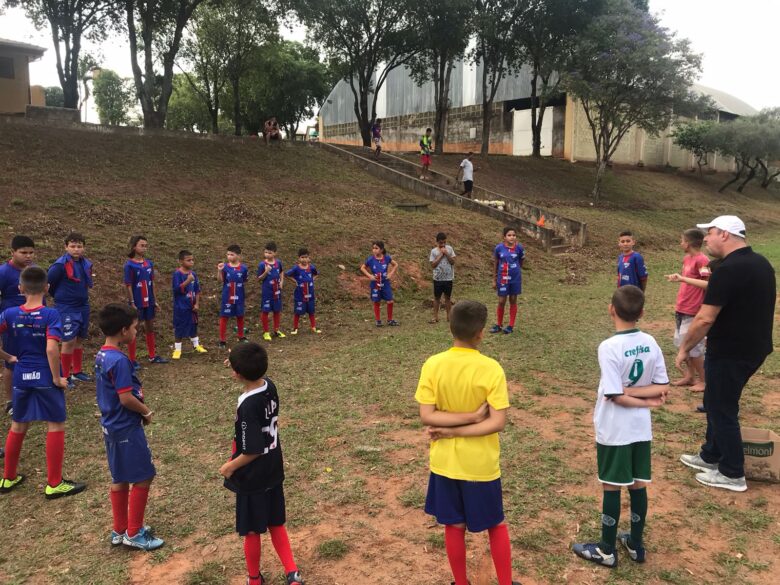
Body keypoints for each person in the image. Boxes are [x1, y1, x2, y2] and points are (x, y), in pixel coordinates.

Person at [415, 300, 521, 585]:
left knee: (454, 525)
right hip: (480, 465)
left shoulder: (433, 364)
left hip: (445, 463)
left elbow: (428, 415)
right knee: (495, 524)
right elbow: (497, 422)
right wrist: (473, 418)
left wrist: (453, 431)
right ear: (481, 333)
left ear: (450, 327)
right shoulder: (491, 368)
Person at [572, 285, 669, 568]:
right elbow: (662, 386)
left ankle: (606, 550)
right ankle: (636, 544)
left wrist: (633, 395)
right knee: (638, 483)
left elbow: (615, 395)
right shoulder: (650, 341)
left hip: (614, 428)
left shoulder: (609, 347)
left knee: (612, 485)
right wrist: (647, 400)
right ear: (642, 313)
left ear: (611, 310)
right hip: (640, 428)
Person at [678, 216, 776, 492]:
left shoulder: (728, 269)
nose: (706, 239)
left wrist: (685, 348)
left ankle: (732, 472)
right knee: (715, 400)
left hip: (732, 351)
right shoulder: (760, 263)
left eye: (710, 233)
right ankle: (711, 454)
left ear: (724, 234)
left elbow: (704, 318)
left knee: (722, 407)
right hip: (752, 348)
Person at [219, 342, 304, 585]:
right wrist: (237, 360)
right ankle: (292, 573)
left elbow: (252, 450)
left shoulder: (247, 406)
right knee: (276, 522)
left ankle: (254, 579)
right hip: (273, 468)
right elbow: (251, 367)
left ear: (237, 374)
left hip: (253, 476)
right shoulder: (269, 386)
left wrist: (230, 467)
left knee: (252, 530)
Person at [0, 266, 86, 498]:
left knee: (18, 424)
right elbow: (51, 348)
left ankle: (8, 477)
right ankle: (54, 483)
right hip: (46, 376)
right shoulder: (51, 314)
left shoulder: (9, 314)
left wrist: (8, 357)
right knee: (55, 424)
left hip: (21, 375)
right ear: (47, 288)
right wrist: (57, 378)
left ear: (20, 288)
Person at [95, 303, 163, 551]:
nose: (136, 332)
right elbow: (125, 398)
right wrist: (145, 411)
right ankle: (134, 533)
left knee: (120, 476)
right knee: (144, 476)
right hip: (125, 426)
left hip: (111, 426)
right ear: (124, 330)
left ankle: (119, 529)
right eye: (135, 328)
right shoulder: (119, 361)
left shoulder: (102, 355)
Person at [664, 229, 709, 392]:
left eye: (682, 240)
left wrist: (683, 279)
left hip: (693, 309)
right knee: (683, 344)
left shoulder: (702, 260)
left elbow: (708, 284)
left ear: (689, 243)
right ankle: (690, 376)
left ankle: (704, 381)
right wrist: (679, 279)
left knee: (693, 346)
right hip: (681, 306)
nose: (680, 243)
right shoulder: (687, 258)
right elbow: (688, 280)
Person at [47, 232, 94, 387]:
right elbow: (49, 285)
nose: (76, 249)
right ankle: (65, 375)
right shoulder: (59, 265)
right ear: (66, 247)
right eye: (72, 246)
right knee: (68, 341)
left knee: (80, 338)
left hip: (83, 306)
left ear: (84, 248)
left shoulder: (85, 263)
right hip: (66, 307)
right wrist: (60, 298)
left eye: (79, 246)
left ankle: (77, 371)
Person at [0, 235, 36, 416]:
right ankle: (11, 401)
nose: (28, 256)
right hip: (11, 324)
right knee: (11, 362)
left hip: (35, 322)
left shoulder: (35, 270)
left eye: (31, 252)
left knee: (34, 358)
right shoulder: (3, 272)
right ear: (12, 252)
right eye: (23, 252)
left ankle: (31, 394)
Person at [124, 235, 169, 367]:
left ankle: (152, 356)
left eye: (146, 246)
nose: (144, 248)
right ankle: (132, 360)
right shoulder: (129, 265)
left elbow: (152, 283)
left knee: (150, 327)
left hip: (149, 301)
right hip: (137, 302)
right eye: (142, 245)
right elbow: (128, 285)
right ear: (134, 247)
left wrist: (154, 300)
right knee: (134, 329)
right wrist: (132, 302)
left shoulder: (149, 263)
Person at [172, 250, 207, 360]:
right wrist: (187, 281)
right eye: (188, 260)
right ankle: (177, 349)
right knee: (180, 326)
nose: (191, 262)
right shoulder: (177, 274)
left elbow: (197, 290)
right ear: (181, 261)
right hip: (181, 306)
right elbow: (176, 290)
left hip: (192, 305)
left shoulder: (193, 274)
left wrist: (197, 303)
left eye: (192, 260)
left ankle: (196, 345)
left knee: (193, 324)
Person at [490, 227, 525, 334]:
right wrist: (494, 279)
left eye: (514, 235)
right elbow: (495, 263)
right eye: (509, 235)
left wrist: (516, 270)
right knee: (501, 301)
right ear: (504, 237)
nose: (512, 237)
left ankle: (510, 326)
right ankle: (498, 325)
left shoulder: (519, 248)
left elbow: (521, 261)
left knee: (513, 300)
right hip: (502, 278)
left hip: (515, 279)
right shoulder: (499, 248)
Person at [360, 241, 398, 327]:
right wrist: (370, 276)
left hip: (385, 283)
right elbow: (362, 268)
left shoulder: (387, 258)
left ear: (381, 249)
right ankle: (378, 321)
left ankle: (390, 320)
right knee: (376, 301)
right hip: (375, 284)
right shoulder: (370, 259)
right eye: (373, 248)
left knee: (390, 301)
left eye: (376, 248)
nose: (374, 250)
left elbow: (395, 265)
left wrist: (390, 274)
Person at [218, 244, 249, 348]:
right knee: (224, 317)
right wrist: (219, 270)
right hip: (227, 296)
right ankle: (222, 340)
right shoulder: (224, 267)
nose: (229, 256)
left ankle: (241, 336)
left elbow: (244, 280)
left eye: (232, 254)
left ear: (238, 255)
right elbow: (220, 280)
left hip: (239, 296)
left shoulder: (244, 268)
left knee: (240, 316)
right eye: (228, 254)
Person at [285, 248, 321, 335]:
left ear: (309, 258)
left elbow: (317, 274)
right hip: (300, 294)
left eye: (306, 257)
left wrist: (312, 279)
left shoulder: (311, 267)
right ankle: (295, 328)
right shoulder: (296, 268)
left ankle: (313, 327)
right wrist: (295, 281)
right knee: (297, 312)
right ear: (299, 258)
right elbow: (287, 274)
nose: (304, 259)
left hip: (310, 294)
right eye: (302, 257)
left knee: (311, 311)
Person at [257, 242, 285, 341]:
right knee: (265, 311)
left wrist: (281, 282)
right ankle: (266, 332)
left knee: (277, 311)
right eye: (266, 252)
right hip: (267, 292)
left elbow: (281, 272)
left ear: (275, 253)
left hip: (277, 291)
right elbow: (259, 279)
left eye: (270, 253)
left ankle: (276, 330)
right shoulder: (262, 264)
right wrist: (266, 271)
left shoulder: (278, 263)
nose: (267, 254)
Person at [429, 232, 456, 323]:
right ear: (437, 242)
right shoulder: (434, 251)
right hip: (438, 279)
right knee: (437, 298)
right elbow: (433, 265)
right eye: (441, 243)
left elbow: (453, 262)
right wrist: (441, 254)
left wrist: (446, 254)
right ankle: (435, 317)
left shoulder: (450, 249)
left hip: (448, 278)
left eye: (444, 242)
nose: (443, 244)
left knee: (447, 298)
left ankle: (449, 317)